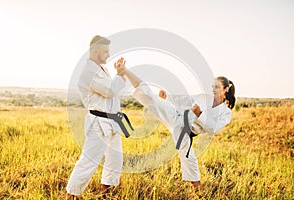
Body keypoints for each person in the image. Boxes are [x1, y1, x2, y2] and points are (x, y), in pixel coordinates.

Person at [115, 58, 235, 188]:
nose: (213, 89)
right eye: (213, 86)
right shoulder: (203, 97)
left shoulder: (226, 113)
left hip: (186, 131)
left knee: (189, 158)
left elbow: (214, 129)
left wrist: (200, 114)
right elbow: (184, 100)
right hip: (176, 116)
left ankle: (198, 191)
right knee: (150, 96)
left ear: (226, 89)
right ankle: (125, 71)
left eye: (217, 87)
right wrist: (167, 98)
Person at [65, 36, 128, 199]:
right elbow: (109, 91)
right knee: (89, 160)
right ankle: (72, 194)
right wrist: (120, 75)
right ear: (95, 51)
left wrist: (120, 74)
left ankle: (106, 192)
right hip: (99, 122)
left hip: (112, 122)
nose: (108, 54)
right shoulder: (89, 72)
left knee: (114, 159)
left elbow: (113, 90)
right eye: (106, 51)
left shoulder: (102, 69)